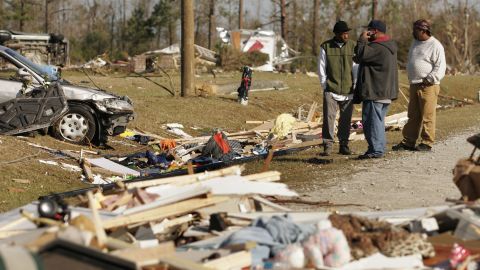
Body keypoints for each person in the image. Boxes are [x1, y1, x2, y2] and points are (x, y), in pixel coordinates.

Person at [392, 19, 446, 152]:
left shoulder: (435, 45)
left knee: (428, 115)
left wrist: (429, 79)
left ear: (423, 30)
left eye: (415, 30)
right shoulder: (415, 43)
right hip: (415, 84)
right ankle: (408, 142)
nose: (413, 32)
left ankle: (427, 142)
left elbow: (440, 67)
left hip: (428, 85)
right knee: (413, 115)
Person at [353, 20, 398, 159]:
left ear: (375, 31)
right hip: (384, 91)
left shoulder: (379, 47)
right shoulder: (387, 46)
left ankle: (376, 150)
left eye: (369, 30)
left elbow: (361, 55)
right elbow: (361, 57)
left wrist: (361, 40)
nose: (367, 33)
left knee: (372, 123)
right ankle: (378, 147)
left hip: (375, 91)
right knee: (377, 122)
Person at [318, 20, 357, 156]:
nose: (346, 36)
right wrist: (325, 85)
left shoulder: (353, 46)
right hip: (331, 89)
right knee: (329, 119)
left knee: (346, 120)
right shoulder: (326, 46)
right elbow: (321, 67)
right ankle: (327, 146)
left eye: (347, 33)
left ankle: (344, 145)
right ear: (337, 34)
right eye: (344, 33)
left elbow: (356, 67)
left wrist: (355, 85)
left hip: (348, 91)